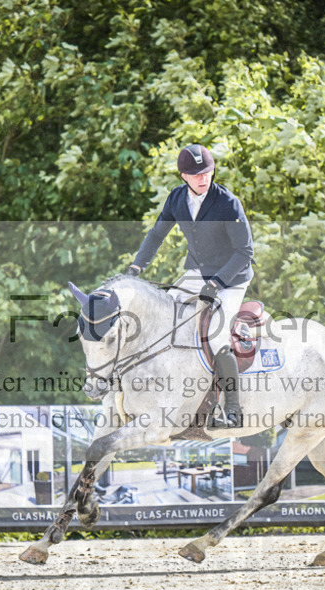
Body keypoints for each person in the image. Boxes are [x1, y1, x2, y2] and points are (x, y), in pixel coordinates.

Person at [125, 143, 253, 428]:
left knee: (216, 336)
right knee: (164, 317)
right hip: (197, 272)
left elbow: (245, 252)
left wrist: (217, 283)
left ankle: (232, 410)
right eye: (196, 175)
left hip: (231, 277)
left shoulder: (227, 203)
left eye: (207, 172)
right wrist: (137, 265)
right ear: (183, 176)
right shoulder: (176, 199)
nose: (203, 178)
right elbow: (157, 234)